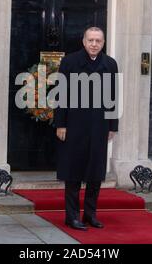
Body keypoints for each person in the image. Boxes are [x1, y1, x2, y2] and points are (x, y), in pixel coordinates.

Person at [54, 27, 119, 231]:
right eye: (90, 40)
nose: (94, 44)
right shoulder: (70, 62)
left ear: (103, 42)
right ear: (83, 41)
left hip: (99, 125)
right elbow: (61, 95)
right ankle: (71, 216)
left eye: (98, 41)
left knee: (95, 172)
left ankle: (90, 214)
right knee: (73, 172)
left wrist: (112, 126)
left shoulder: (110, 64)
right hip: (74, 124)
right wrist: (60, 123)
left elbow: (113, 97)